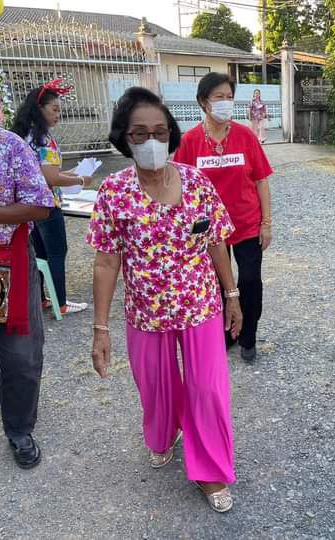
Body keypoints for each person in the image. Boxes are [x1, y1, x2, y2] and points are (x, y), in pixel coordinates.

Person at [88, 87, 242, 512]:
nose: (151, 141)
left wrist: (232, 295)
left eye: (159, 131)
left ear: (171, 133)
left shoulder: (197, 182)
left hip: (200, 305)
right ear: (125, 138)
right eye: (140, 133)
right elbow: (106, 262)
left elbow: (216, 242)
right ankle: (162, 434)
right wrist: (100, 329)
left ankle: (210, 469)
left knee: (208, 390)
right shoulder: (114, 192)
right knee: (155, 386)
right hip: (146, 312)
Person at [0, 59, 55, 468]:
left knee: (21, 357)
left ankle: (19, 430)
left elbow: (41, 206)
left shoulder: (8, 145)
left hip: (7, 263)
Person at [174, 73, 273, 363]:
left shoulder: (245, 136)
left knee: (250, 281)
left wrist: (267, 223)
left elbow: (261, 180)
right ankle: (226, 333)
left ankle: (248, 335)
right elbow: (180, 187)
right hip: (209, 231)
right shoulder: (190, 141)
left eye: (229, 97)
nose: (225, 102)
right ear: (203, 102)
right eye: (219, 97)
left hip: (246, 224)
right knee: (218, 285)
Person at [12, 79, 93, 315]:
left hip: (29, 206)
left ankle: (41, 299)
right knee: (57, 253)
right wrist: (80, 180)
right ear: (40, 109)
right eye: (54, 109)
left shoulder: (24, 136)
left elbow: (46, 172)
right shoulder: (44, 139)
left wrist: (72, 173)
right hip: (48, 205)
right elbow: (50, 177)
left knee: (39, 254)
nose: (58, 115)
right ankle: (62, 303)